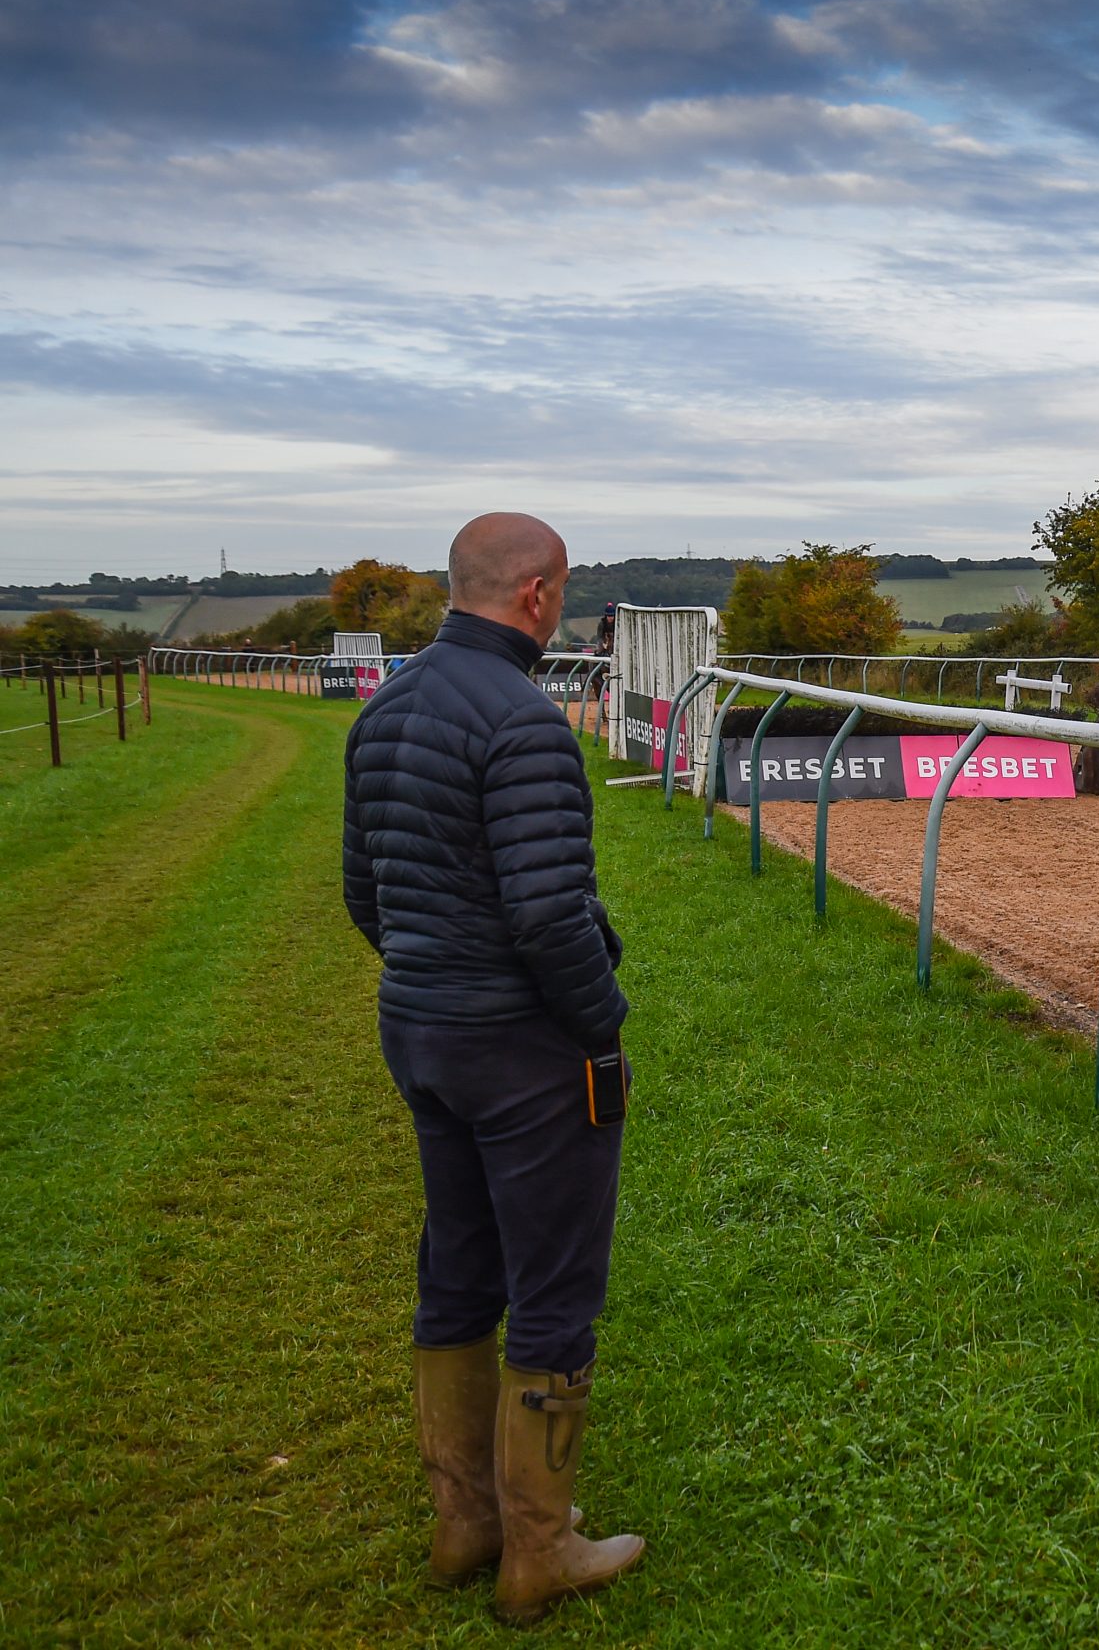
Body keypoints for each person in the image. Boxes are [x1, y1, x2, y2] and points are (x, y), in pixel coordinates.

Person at [342, 512, 645, 1622]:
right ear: (537, 596)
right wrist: (601, 1023)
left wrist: (433, 980)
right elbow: (549, 915)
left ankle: (463, 1522)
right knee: (553, 1287)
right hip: (522, 1048)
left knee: (458, 1270)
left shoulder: (384, 711)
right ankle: (538, 1549)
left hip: (418, 1028)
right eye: (560, 592)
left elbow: (362, 895)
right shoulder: (524, 720)